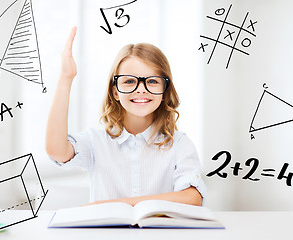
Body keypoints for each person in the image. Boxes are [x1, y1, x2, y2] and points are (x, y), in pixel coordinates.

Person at [45, 26, 205, 207]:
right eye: (129, 81)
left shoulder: (179, 144)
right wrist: (66, 77)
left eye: (152, 81)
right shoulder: (95, 142)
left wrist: (120, 204)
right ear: (115, 92)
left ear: (164, 91)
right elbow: (56, 151)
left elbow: (192, 198)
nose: (141, 89)